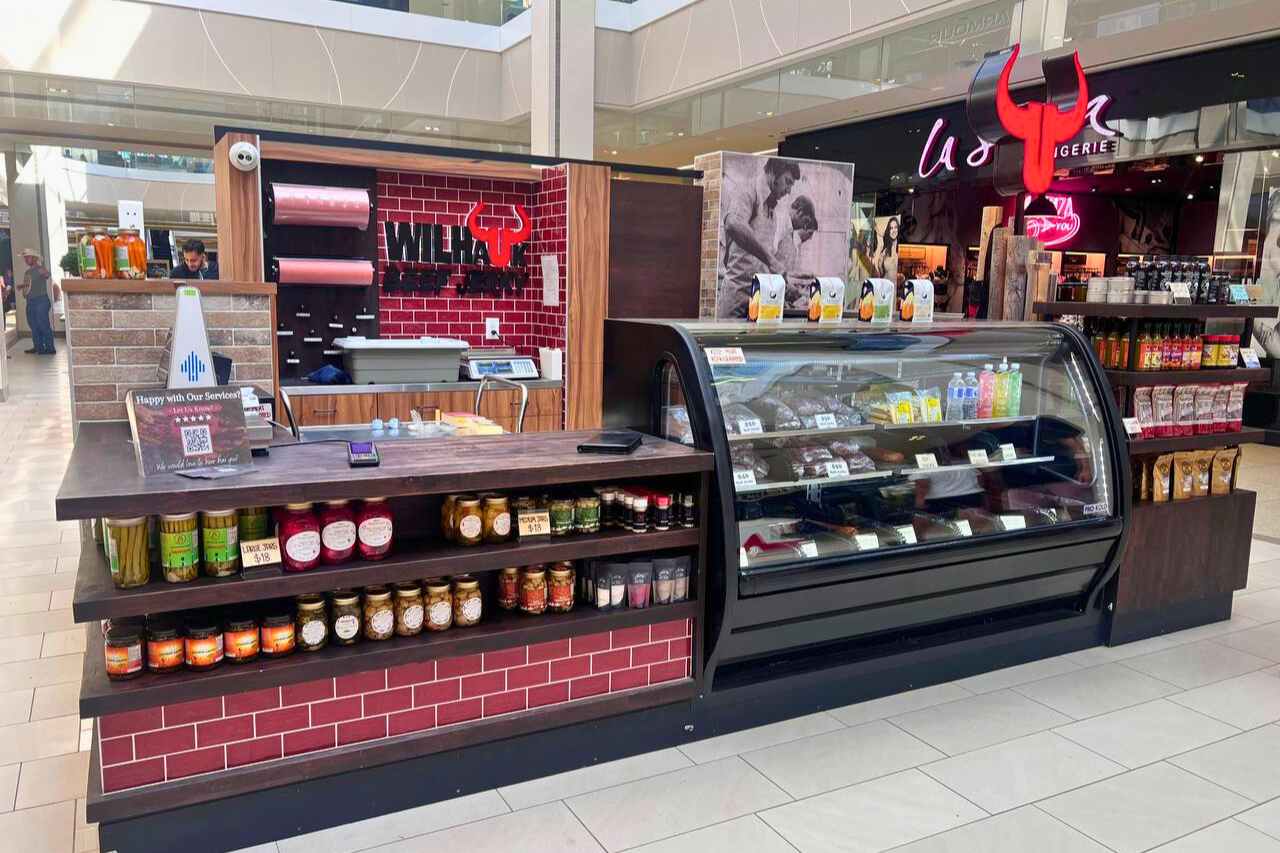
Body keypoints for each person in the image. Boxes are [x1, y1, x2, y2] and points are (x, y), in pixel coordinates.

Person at [717, 157, 800, 317]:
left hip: (760, 300)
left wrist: (782, 282)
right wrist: (772, 261)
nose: (788, 190)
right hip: (737, 298)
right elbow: (733, 223)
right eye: (787, 181)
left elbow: (761, 258)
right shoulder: (748, 190)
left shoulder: (772, 209)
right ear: (773, 172)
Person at [19, 249, 56, 355]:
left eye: (28, 257)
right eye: (25, 258)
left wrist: (44, 271)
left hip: (41, 301)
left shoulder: (40, 269)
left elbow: (47, 275)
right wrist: (21, 287)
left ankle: (50, 348)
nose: (25, 259)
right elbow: (28, 285)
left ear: (34, 258)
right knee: (33, 325)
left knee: (43, 324)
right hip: (30, 301)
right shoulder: (27, 272)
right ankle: (38, 347)